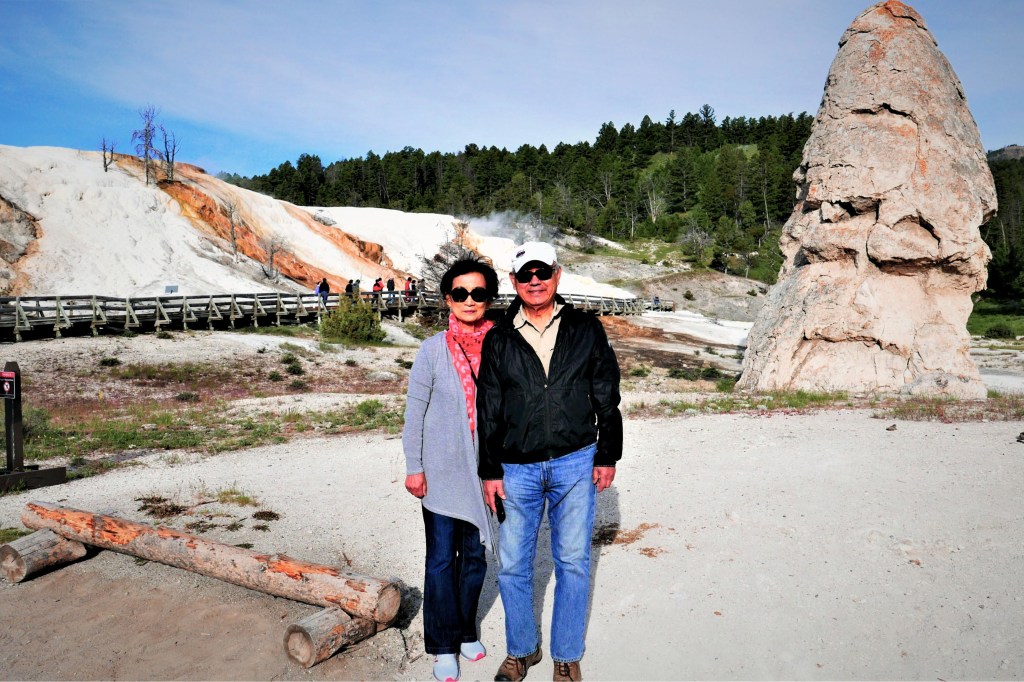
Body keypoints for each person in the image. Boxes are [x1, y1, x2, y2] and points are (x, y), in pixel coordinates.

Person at [478, 241, 622, 682]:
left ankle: (566, 655)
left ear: (557, 274)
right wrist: (489, 468)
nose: (535, 280)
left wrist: (608, 453)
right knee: (512, 565)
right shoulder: (499, 336)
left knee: (573, 561)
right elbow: (489, 406)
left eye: (543, 272)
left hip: (575, 461)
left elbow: (606, 392)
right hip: (516, 467)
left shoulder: (585, 327)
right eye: (526, 274)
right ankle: (522, 650)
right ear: (514, 280)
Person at [404, 258, 500, 682]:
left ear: (489, 298)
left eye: (478, 293)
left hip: (486, 471)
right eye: (460, 293)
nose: (469, 300)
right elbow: (415, 412)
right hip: (441, 472)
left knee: (476, 556)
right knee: (442, 559)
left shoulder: (502, 345)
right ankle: (443, 645)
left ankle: (464, 631)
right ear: (448, 298)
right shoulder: (432, 350)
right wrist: (414, 466)